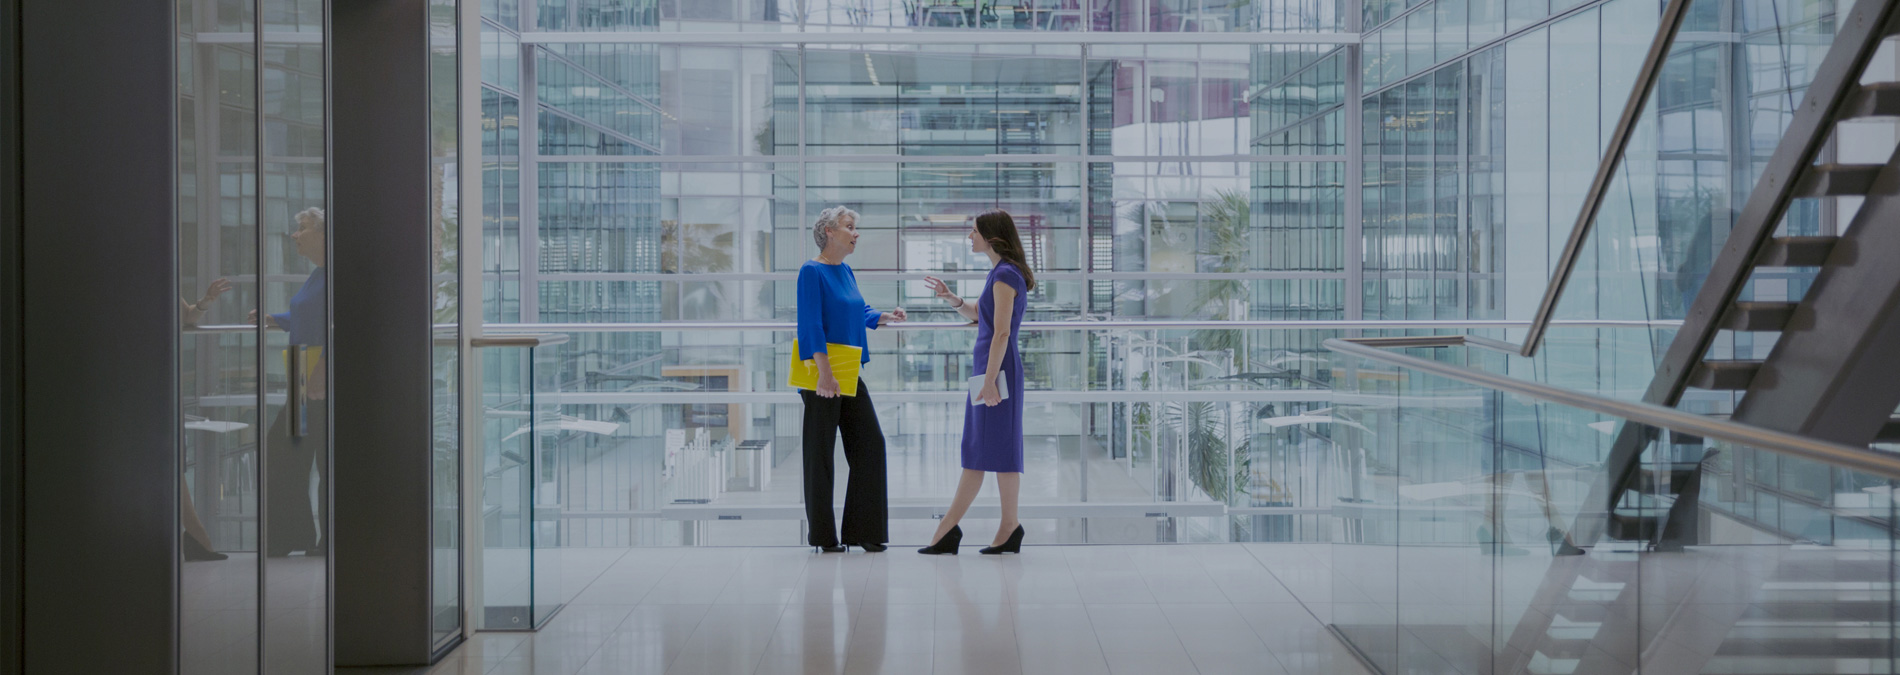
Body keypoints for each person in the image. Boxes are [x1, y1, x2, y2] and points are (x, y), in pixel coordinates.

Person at [918, 209, 1033, 555]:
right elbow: (982, 316)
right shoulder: (1002, 273)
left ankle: (947, 529)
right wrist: (953, 299)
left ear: (991, 238)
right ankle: (1008, 527)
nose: (970, 237)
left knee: (979, 451)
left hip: (995, 373)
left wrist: (989, 382)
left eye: (974, 232)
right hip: (994, 371)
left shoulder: (1003, 276)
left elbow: (1000, 333)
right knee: (996, 450)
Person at [797, 206, 906, 553]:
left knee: (870, 444)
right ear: (829, 232)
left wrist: (883, 316)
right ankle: (823, 538)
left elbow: (857, 310)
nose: (855, 233)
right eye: (849, 227)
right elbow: (811, 323)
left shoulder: (844, 270)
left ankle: (864, 530)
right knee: (821, 456)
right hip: (821, 373)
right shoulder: (811, 271)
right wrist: (825, 376)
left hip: (848, 370)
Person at [251, 207, 328, 557]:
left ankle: (326, 541)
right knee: (286, 455)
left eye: (303, 228)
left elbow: (337, 323)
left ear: (324, 234)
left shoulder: (335, 274)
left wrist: (323, 367)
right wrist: (275, 319)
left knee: (324, 459)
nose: (295, 235)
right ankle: (292, 536)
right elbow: (305, 312)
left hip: (318, 375)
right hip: (301, 372)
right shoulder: (318, 275)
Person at [181, 278, 235, 561]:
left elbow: (188, 317)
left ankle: (196, 536)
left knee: (171, 462)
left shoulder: (156, 281)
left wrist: (205, 301)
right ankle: (196, 537)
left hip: (157, 376)